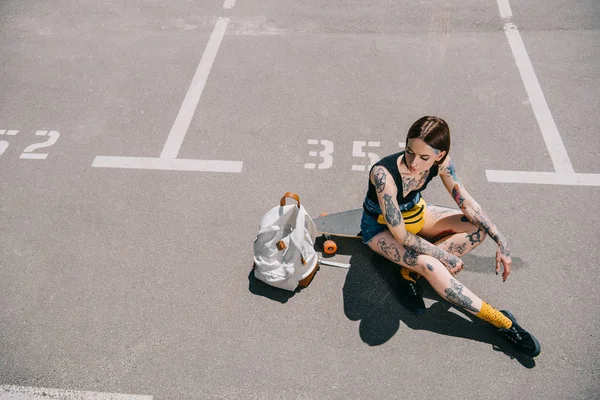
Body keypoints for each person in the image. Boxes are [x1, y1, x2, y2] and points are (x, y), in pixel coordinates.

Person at [360, 116, 541, 357]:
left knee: (478, 230)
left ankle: (410, 271)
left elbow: (465, 201)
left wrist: (501, 240)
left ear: (440, 155)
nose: (414, 162)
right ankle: (502, 322)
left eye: (424, 157)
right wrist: (444, 256)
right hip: (382, 229)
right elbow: (401, 235)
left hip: (417, 214)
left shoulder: (442, 163)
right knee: (434, 266)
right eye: (409, 151)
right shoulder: (383, 175)